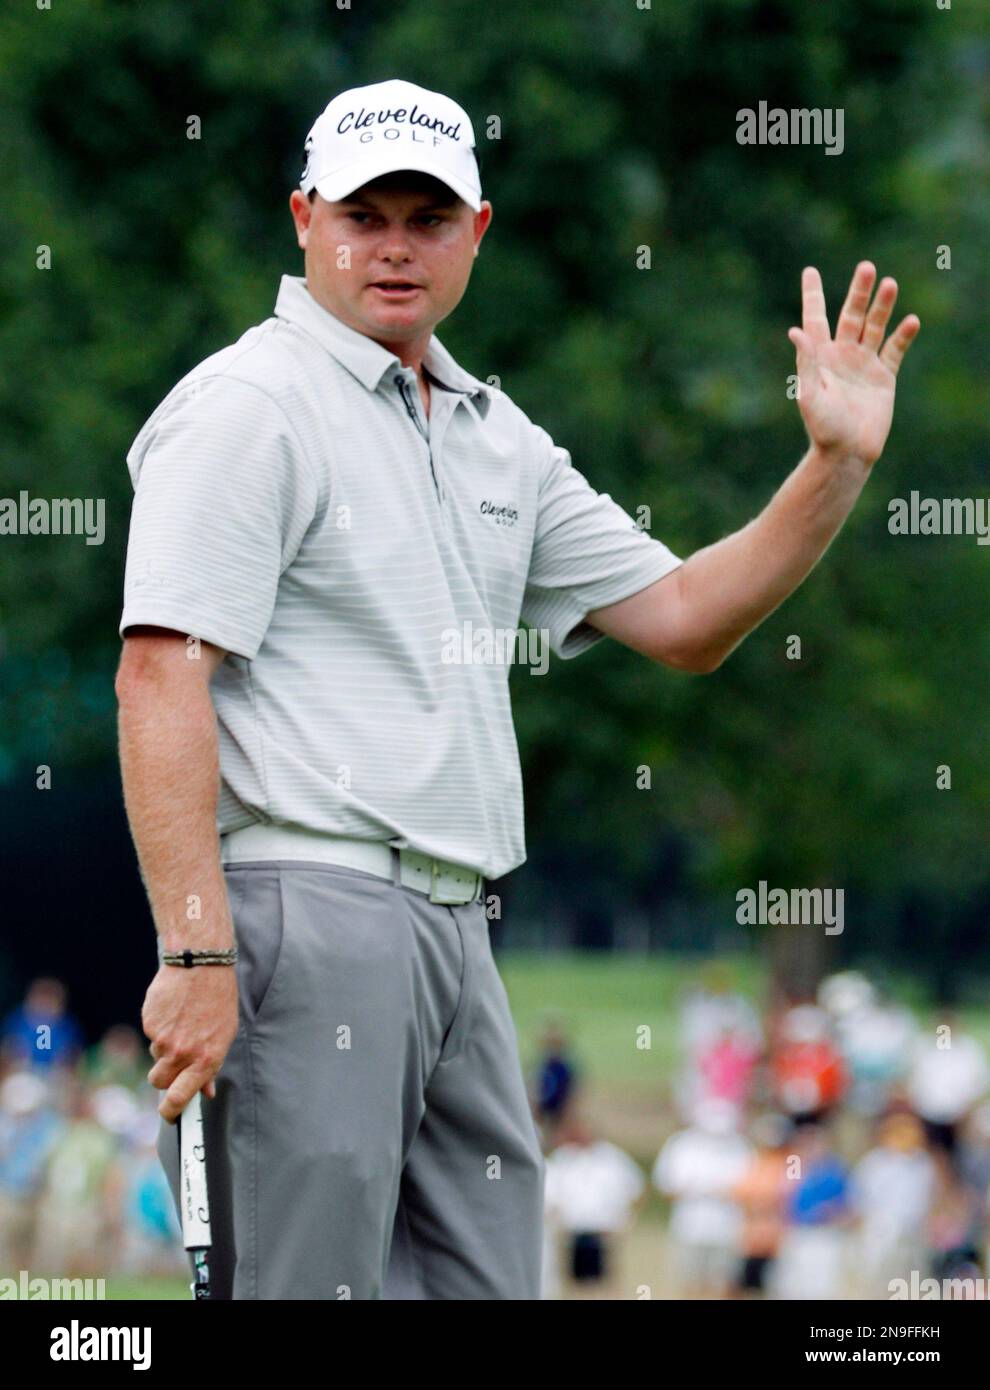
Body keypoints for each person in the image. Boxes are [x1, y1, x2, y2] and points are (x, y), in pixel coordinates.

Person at [114, 76, 920, 1300]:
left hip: (459, 931)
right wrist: (198, 955)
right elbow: (159, 672)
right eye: (361, 213)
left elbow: (689, 619)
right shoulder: (250, 406)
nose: (393, 245)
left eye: (427, 218)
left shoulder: (497, 434)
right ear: (301, 218)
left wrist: (833, 467)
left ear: (475, 234)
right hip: (300, 908)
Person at [653, 1099, 752, 1298]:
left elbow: (750, 1188)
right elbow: (665, 1185)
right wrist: (693, 1191)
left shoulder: (740, 1147)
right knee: (691, 1282)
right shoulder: (681, 1145)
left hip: (728, 1229)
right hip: (689, 1228)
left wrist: (726, 1193)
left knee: (727, 1283)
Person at [543, 1110, 646, 1299]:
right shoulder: (563, 1159)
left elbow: (636, 1189)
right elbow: (553, 1199)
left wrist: (626, 1219)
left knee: (606, 1285)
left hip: (603, 1232)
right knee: (573, 1285)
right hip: (573, 1233)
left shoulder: (612, 1158)